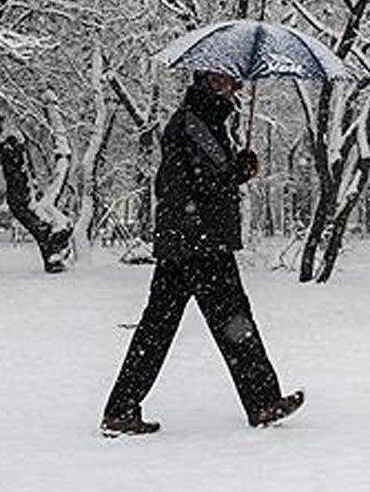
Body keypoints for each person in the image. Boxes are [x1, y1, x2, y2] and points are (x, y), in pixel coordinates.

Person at [100, 69, 303, 437]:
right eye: (224, 80)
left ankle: (121, 409)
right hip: (199, 243)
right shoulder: (192, 124)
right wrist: (235, 173)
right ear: (207, 80)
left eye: (233, 82)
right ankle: (262, 402)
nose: (232, 87)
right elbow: (191, 182)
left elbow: (201, 178)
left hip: (187, 241)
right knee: (234, 322)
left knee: (158, 328)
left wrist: (233, 171)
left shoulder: (203, 121)